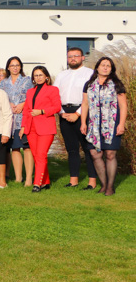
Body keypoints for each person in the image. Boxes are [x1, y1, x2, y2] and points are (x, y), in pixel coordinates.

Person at [80, 57, 128, 197]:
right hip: (94, 124)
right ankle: (104, 184)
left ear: (112, 69)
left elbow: (123, 106)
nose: (105, 68)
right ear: (97, 67)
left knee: (110, 154)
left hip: (112, 124)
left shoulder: (117, 84)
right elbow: (85, 104)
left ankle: (110, 187)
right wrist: (83, 122)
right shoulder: (89, 85)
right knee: (95, 154)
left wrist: (121, 124)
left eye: (108, 66)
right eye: (103, 65)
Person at [56, 47, 97, 188]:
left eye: (76, 56)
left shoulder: (90, 74)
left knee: (87, 148)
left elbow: (91, 97)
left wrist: (78, 114)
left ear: (82, 57)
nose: (73, 59)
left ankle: (92, 181)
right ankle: (73, 180)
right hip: (64, 112)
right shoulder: (62, 75)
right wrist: (61, 112)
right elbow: (55, 95)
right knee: (71, 149)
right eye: (70, 56)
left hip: (83, 112)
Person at [19, 66, 61, 192]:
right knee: (37, 155)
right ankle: (45, 181)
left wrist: (42, 111)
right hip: (31, 128)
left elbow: (57, 107)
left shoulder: (53, 90)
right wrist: (23, 127)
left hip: (46, 127)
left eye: (40, 75)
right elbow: (26, 111)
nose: (38, 77)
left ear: (46, 76)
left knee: (41, 155)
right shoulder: (30, 92)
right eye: (35, 75)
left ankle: (37, 184)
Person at [0, 56, 34, 186]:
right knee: (14, 148)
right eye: (12, 65)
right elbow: (1, 98)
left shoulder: (27, 80)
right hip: (10, 120)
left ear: (20, 67)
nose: (15, 67)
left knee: (26, 148)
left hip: (24, 118)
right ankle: (18, 177)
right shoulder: (3, 82)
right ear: (8, 67)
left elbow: (31, 97)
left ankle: (29, 178)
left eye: (17, 65)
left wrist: (23, 104)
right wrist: (9, 104)